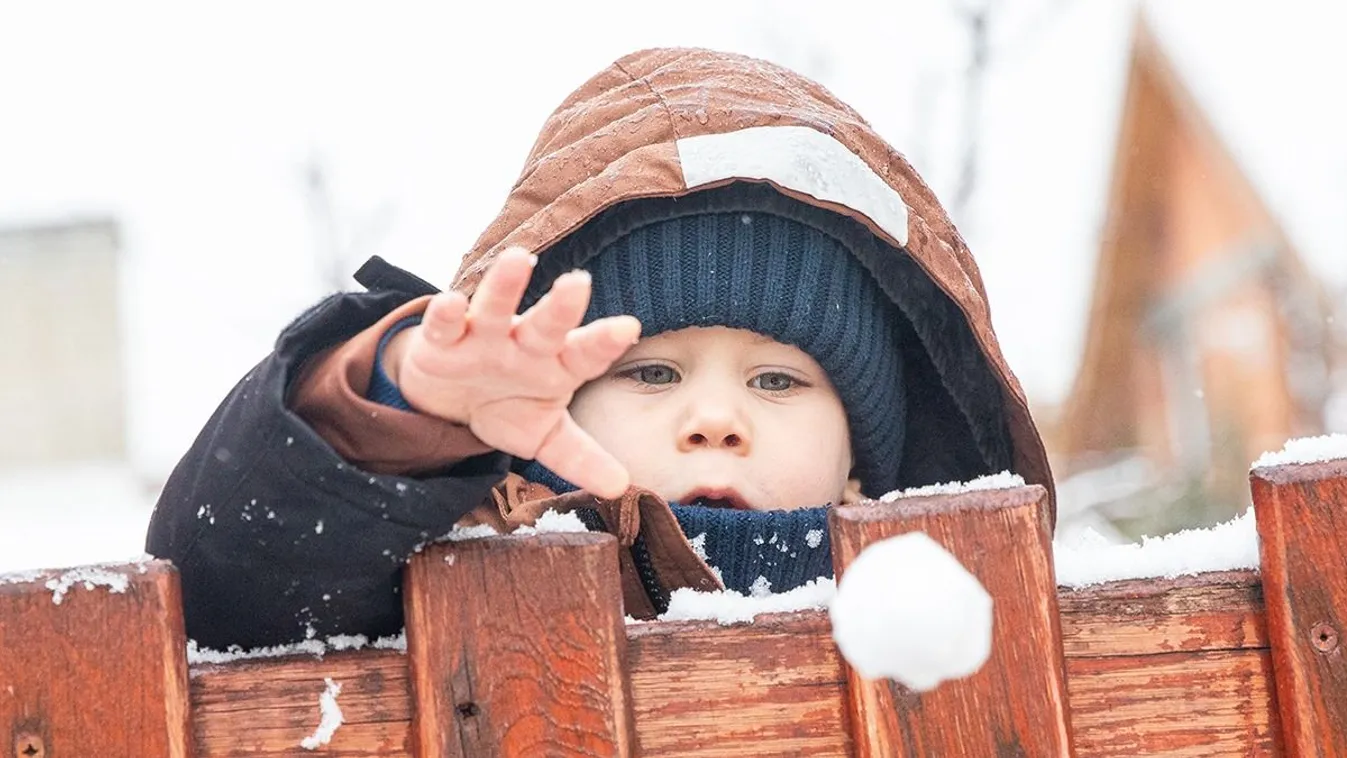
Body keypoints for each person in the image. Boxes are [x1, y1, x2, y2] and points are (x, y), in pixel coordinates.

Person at [146, 47, 1054, 650]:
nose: (712, 420)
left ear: (861, 465)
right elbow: (230, 582)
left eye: (777, 380)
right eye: (651, 372)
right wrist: (400, 413)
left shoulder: (956, 619)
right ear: (554, 414)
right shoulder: (457, 567)